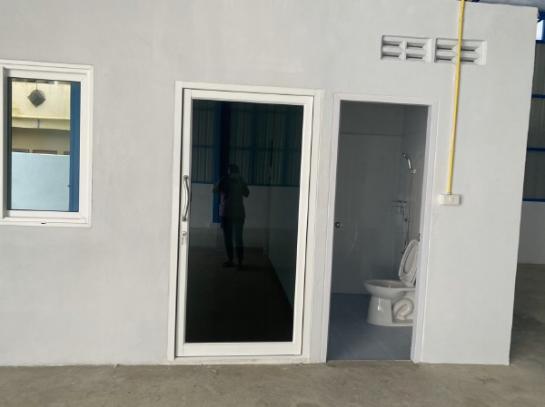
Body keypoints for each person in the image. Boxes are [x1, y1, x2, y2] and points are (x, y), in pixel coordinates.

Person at [214, 164, 250, 268]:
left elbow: (215, 190)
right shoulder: (239, 181)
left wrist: (222, 181)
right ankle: (239, 262)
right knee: (237, 238)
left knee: (228, 238)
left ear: (229, 172)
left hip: (227, 214)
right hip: (238, 214)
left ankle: (231, 260)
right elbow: (247, 193)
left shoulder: (225, 180)